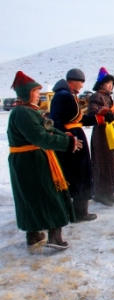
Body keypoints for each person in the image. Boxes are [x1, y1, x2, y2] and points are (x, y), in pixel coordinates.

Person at [7, 71, 82, 249]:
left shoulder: (30, 111)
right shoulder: (23, 113)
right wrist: (67, 142)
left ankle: (33, 235)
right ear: (26, 94)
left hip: (31, 160)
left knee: (32, 197)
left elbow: (48, 129)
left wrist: (65, 136)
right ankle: (55, 237)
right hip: (31, 162)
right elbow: (40, 137)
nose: (38, 94)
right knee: (49, 194)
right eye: (35, 91)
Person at [49, 68, 98, 222]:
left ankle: (78, 211)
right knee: (79, 175)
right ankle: (79, 213)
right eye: (80, 82)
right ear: (72, 81)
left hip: (74, 139)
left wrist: (97, 119)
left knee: (79, 175)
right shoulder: (63, 96)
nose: (82, 86)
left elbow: (77, 120)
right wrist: (67, 135)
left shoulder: (67, 95)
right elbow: (56, 120)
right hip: (72, 142)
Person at [88, 67, 114, 206]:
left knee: (112, 161)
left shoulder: (108, 97)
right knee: (103, 162)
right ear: (101, 84)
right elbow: (93, 110)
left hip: (111, 132)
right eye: (108, 82)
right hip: (102, 134)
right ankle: (100, 193)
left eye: (112, 83)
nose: (110, 85)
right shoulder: (96, 96)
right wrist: (104, 112)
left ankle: (109, 191)